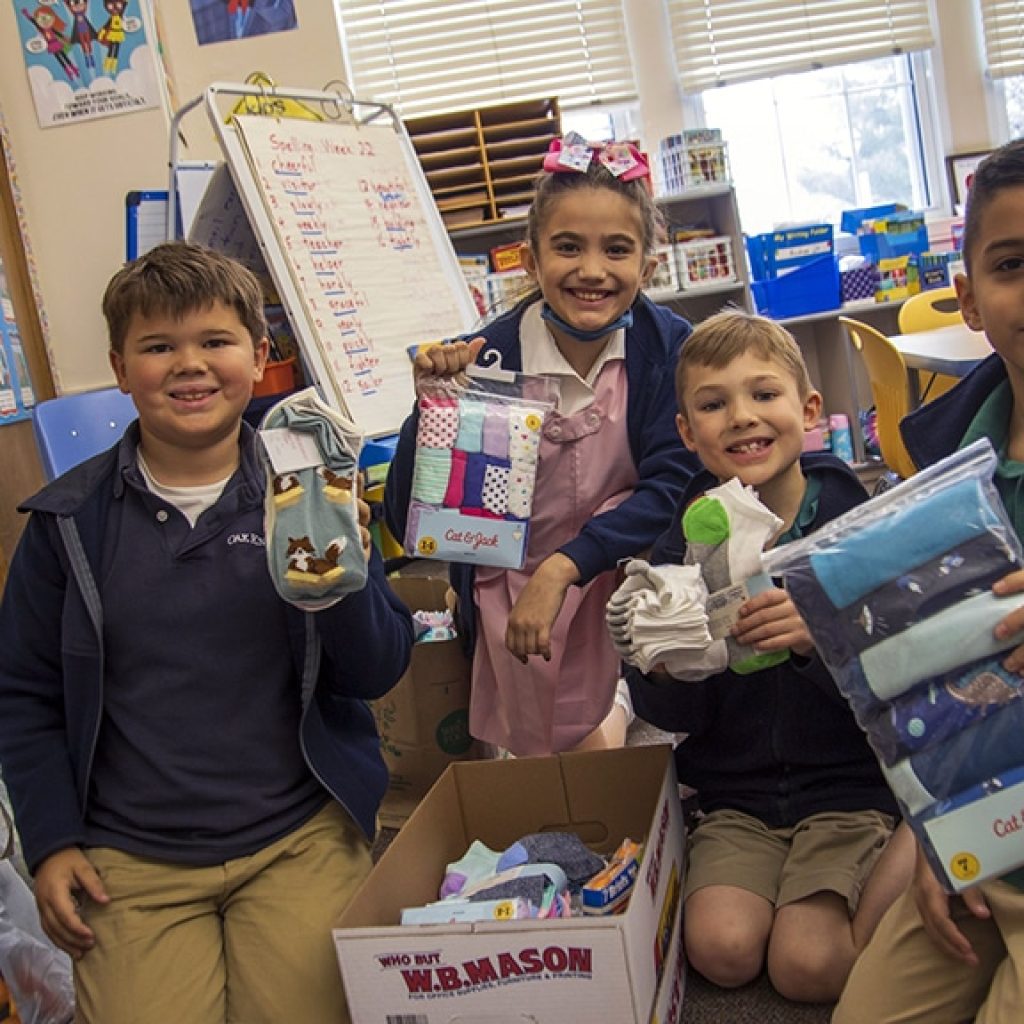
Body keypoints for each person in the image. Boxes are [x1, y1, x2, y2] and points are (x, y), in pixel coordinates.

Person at [0, 241, 414, 1024]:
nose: (189, 366)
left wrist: (350, 584)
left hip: (298, 834)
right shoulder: (67, 525)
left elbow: (379, 670)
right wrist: (51, 842)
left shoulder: (308, 491)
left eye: (215, 342)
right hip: (130, 855)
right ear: (121, 368)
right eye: (159, 347)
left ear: (260, 358)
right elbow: (24, 695)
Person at [626, 310, 914, 1003]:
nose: (742, 418)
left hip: (849, 794)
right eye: (714, 404)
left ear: (809, 409)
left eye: (763, 394)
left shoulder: (858, 530)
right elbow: (673, 712)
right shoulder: (682, 546)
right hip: (738, 799)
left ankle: (906, 850)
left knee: (807, 967)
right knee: (721, 950)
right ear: (688, 434)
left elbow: (902, 678)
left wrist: (823, 638)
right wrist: (661, 663)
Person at [384, 137, 699, 757]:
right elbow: (410, 520)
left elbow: (675, 489)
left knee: (594, 756)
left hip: (616, 578)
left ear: (648, 266)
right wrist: (435, 414)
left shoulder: (668, 353)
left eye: (617, 250)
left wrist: (566, 566)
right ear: (530, 260)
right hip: (508, 594)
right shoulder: (489, 359)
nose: (591, 270)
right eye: (567, 247)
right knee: (526, 756)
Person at [833, 138, 1024, 1024]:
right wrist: (937, 830)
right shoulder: (947, 464)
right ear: (971, 299)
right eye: (1013, 265)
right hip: (988, 823)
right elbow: (936, 683)